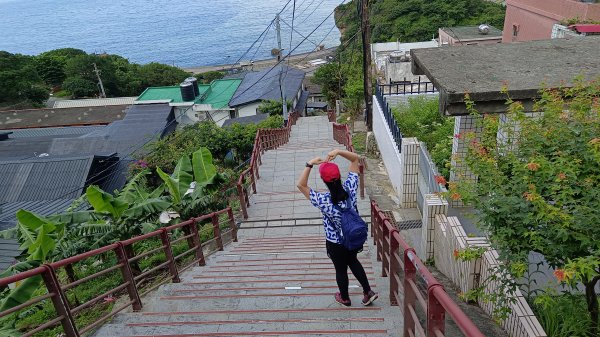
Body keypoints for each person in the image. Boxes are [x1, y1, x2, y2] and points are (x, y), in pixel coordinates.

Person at [296, 149, 378, 307]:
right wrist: (338, 152)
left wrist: (310, 164)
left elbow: (301, 185)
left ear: (323, 180)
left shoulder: (323, 200)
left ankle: (345, 298)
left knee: (340, 269)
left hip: (335, 242)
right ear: (339, 176)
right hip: (353, 236)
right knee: (353, 261)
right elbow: (355, 160)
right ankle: (368, 291)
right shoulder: (350, 189)